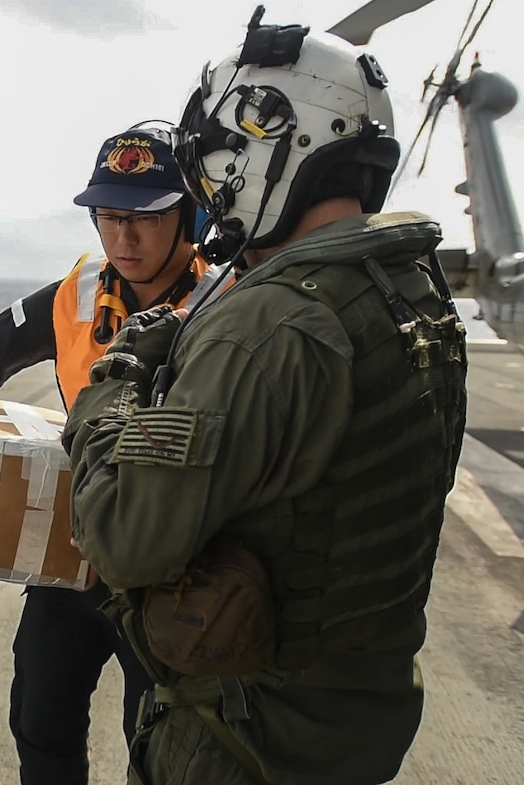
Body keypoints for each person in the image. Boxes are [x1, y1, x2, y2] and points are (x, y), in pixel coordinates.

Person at [62, 10, 468, 785]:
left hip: (246, 736)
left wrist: (115, 382)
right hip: (354, 726)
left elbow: (120, 538)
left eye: (214, 164)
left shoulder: (268, 326)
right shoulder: (415, 293)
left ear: (273, 146)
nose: (207, 190)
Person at [0, 125, 228, 785]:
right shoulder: (77, 294)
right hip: (71, 562)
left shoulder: (230, 305)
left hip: (173, 579)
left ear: (192, 216)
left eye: (147, 218)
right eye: (110, 217)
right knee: (40, 717)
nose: (124, 239)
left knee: (160, 745)